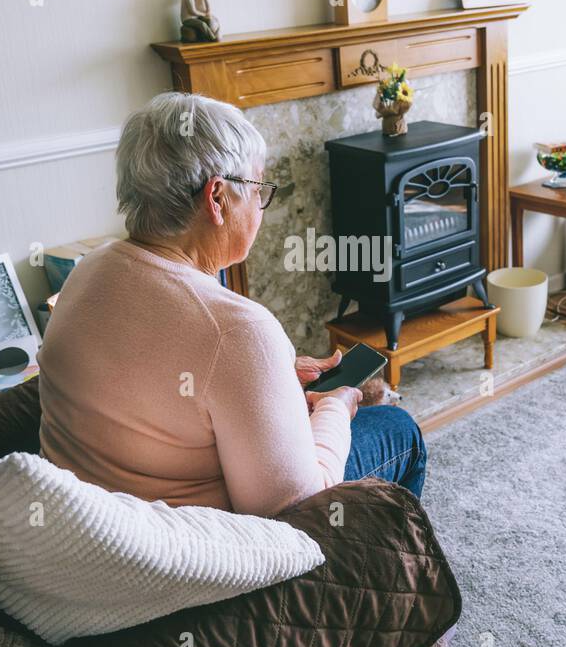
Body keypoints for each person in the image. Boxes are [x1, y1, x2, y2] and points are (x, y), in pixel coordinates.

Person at [37, 91, 427, 516]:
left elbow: (158, 380)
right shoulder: (238, 330)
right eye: (258, 188)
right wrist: (336, 405)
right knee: (398, 428)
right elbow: (295, 508)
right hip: (194, 552)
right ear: (217, 199)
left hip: (87, 516)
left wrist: (272, 378)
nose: (261, 204)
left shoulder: (85, 274)